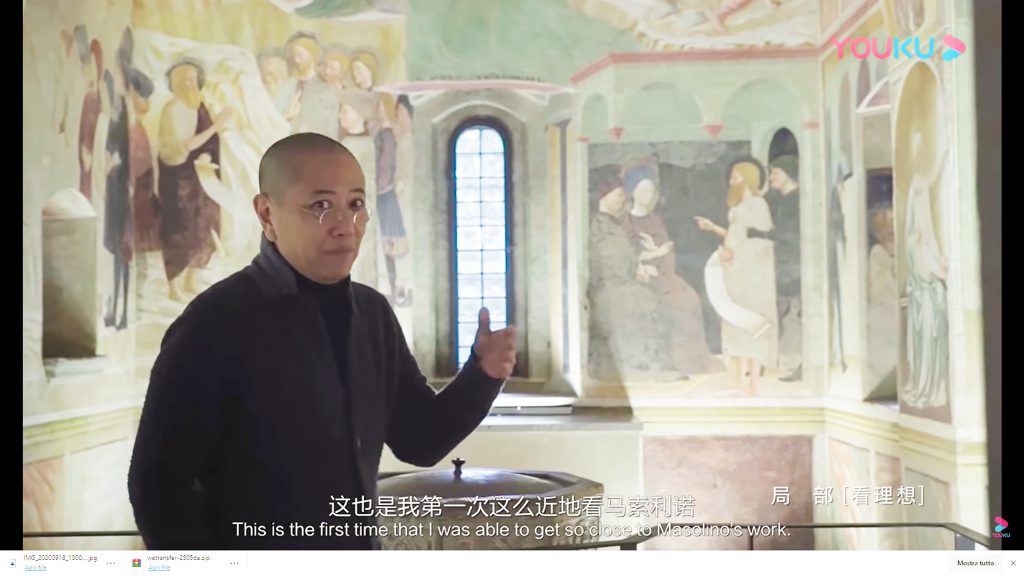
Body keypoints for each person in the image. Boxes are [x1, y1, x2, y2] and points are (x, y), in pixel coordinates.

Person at [127, 132, 517, 550]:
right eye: (320, 206)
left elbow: (419, 440)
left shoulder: (373, 315)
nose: (345, 227)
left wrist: (482, 376)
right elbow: (157, 486)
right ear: (267, 215)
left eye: (356, 204)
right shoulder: (214, 323)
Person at [696, 160, 778, 392]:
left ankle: (752, 383)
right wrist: (713, 228)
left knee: (750, 321)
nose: (732, 181)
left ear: (748, 178)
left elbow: (760, 240)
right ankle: (736, 380)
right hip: (735, 271)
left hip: (752, 274)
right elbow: (735, 236)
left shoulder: (758, 205)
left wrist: (734, 252)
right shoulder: (740, 205)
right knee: (734, 321)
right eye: (731, 176)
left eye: (737, 176)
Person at [156, 59, 232, 302]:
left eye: (194, 79)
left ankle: (191, 279)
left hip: (202, 176)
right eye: (185, 80)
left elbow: (207, 142)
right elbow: (183, 147)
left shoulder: (200, 106)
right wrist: (216, 126)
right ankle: (173, 285)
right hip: (179, 178)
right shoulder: (173, 110)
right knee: (181, 228)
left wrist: (209, 151)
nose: (191, 84)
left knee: (205, 224)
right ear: (176, 83)